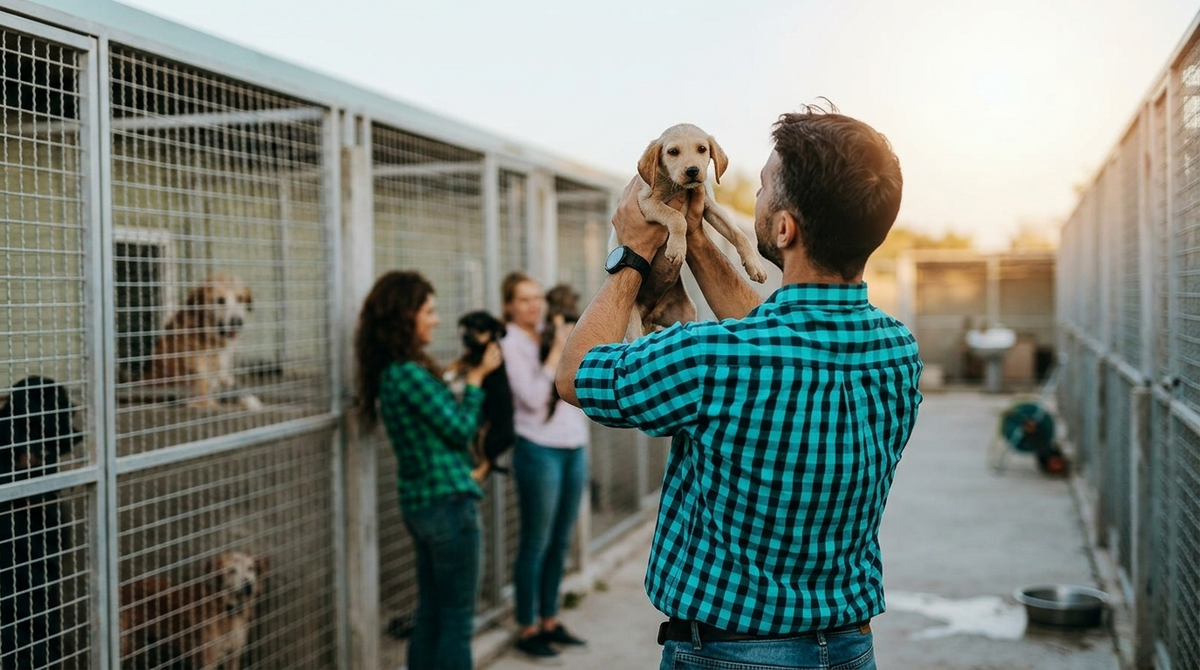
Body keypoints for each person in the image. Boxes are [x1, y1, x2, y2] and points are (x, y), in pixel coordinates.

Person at [556, 105, 922, 669]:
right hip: (849, 648)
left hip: (728, 653)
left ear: (784, 228)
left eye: (764, 187)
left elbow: (577, 374)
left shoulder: (710, 357)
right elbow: (774, 336)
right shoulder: (898, 352)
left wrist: (632, 253)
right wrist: (698, 240)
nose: (754, 195)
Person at [354, 270, 502, 670]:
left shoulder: (394, 372)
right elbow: (460, 429)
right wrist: (477, 381)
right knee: (456, 622)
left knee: (432, 615)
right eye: (430, 312)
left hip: (423, 505)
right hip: (448, 505)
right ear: (406, 316)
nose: (436, 320)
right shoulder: (407, 374)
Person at [498, 272, 590, 659]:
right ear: (508, 306)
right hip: (538, 448)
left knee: (561, 540)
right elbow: (535, 399)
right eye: (523, 299)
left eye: (537, 297)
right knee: (536, 542)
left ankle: (550, 619)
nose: (534, 305)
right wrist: (555, 356)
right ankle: (527, 626)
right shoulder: (510, 343)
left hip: (573, 444)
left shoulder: (550, 330)